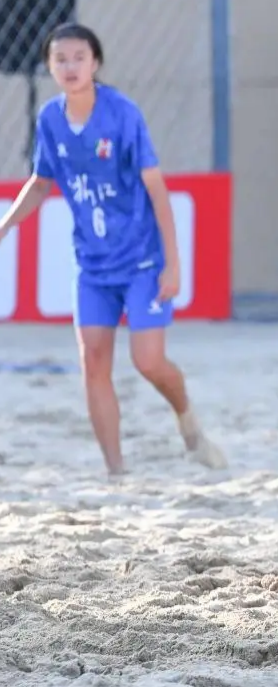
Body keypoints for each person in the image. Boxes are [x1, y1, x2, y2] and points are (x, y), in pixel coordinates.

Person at [0, 24, 226, 475]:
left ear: (95, 62)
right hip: (93, 266)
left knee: (148, 361)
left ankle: (188, 421)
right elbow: (42, 182)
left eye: (78, 57)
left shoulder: (122, 114)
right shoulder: (50, 118)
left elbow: (158, 192)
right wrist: (4, 227)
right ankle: (116, 473)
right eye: (60, 58)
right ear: (49, 66)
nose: (69, 66)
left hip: (142, 261)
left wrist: (174, 264)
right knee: (93, 362)